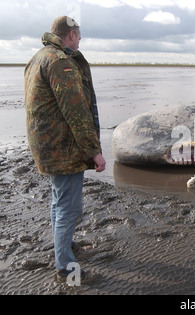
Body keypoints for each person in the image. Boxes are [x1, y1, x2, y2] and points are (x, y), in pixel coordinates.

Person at [24, 16, 106, 283]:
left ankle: (65, 247)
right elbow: (76, 112)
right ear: (70, 35)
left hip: (47, 146)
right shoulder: (60, 62)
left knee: (58, 202)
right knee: (68, 207)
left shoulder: (39, 57)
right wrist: (94, 150)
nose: (80, 41)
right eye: (79, 36)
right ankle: (67, 269)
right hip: (63, 148)